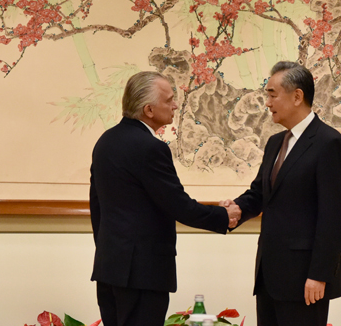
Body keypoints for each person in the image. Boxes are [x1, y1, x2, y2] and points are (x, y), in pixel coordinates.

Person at [89, 71, 241, 326]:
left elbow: (98, 208)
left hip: (109, 269)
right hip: (142, 275)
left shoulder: (105, 141)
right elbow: (177, 204)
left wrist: (110, 251)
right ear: (149, 109)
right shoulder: (150, 147)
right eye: (169, 99)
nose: (175, 105)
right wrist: (223, 217)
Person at [221, 61, 341, 326]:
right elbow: (259, 194)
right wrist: (235, 209)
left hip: (305, 280)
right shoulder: (274, 143)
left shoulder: (329, 143)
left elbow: (334, 216)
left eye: (271, 94)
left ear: (297, 96)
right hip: (269, 275)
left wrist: (319, 275)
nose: (267, 103)